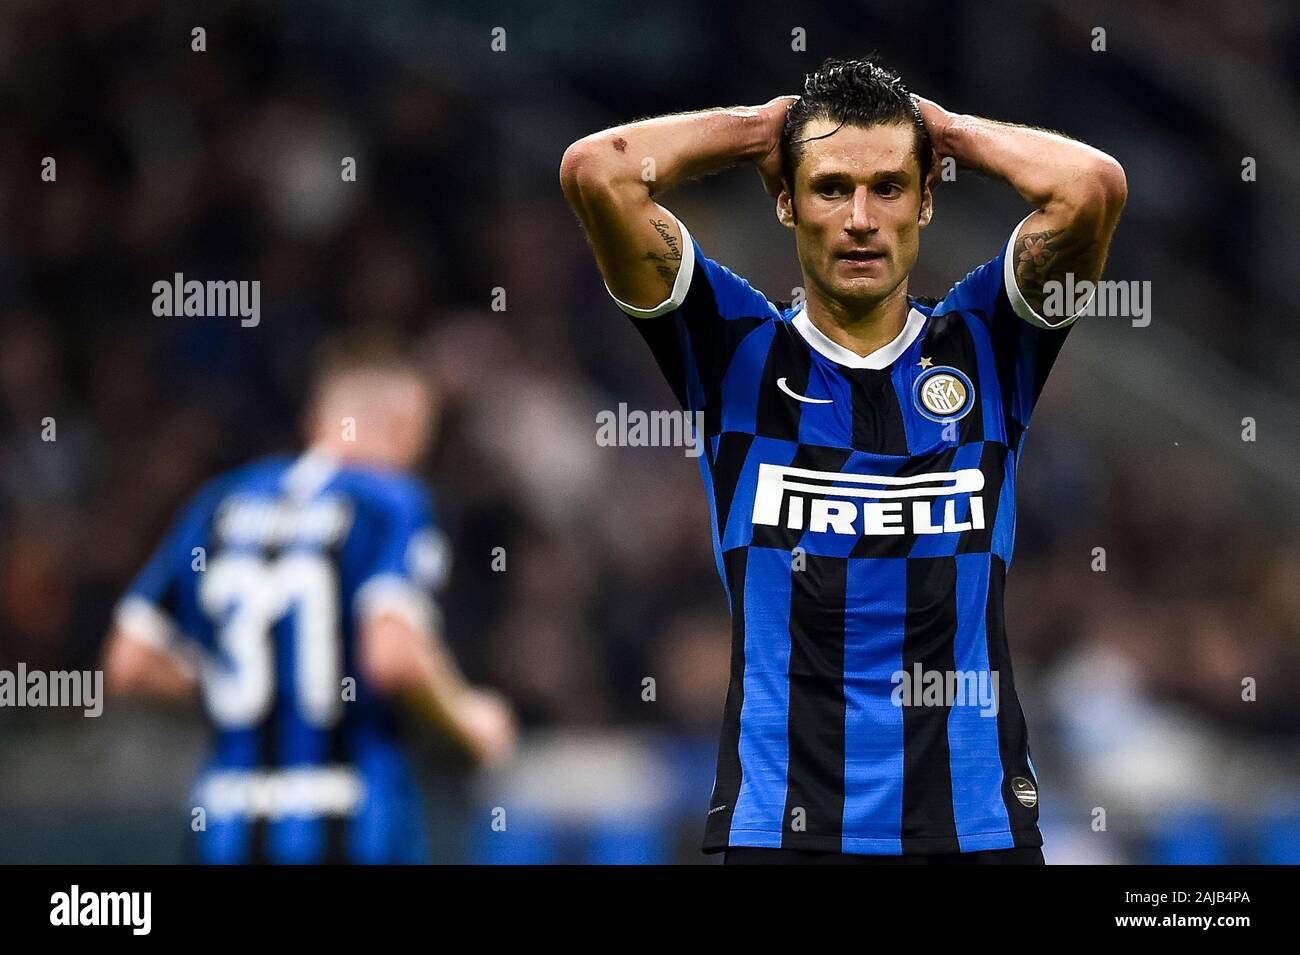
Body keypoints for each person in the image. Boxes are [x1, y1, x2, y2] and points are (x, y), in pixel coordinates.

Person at [560, 56, 1125, 863]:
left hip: (975, 832)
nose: (860, 217)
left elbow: (1093, 185)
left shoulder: (989, 346)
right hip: (780, 834)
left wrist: (950, 130)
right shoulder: (733, 353)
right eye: (829, 187)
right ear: (786, 199)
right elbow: (597, 171)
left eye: (889, 186)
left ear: (927, 198)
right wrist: (763, 128)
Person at [102, 339, 516, 863]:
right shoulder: (390, 503)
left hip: (226, 824)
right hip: (352, 822)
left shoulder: (220, 502)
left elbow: (129, 663)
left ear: (319, 418)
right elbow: (393, 659)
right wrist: (467, 723)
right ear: (405, 424)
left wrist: (252, 691)